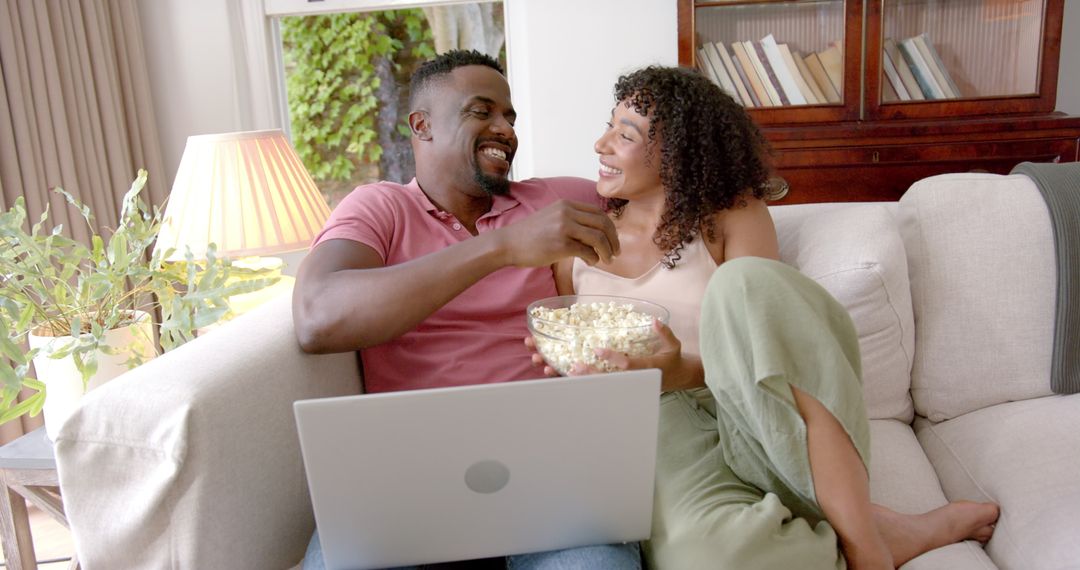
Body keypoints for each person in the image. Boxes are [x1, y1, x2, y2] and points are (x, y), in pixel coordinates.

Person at [530, 66, 1000, 569]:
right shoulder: (578, 241)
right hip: (656, 424)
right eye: (610, 126)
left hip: (747, 404)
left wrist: (683, 370)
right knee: (711, 557)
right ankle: (895, 532)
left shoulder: (733, 216)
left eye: (626, 135)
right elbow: (573, 349)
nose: (602, 143)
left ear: (680, 152)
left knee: (746, 283)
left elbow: (766, 329)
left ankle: (867, 546)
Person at [292, 49, 641, 569]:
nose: (505, 129)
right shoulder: (380, 208)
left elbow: (690, 188)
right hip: (405, 483)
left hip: (550, 476)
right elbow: (318, 318)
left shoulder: (555, 201)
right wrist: (501, 248)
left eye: (510, 117)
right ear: (421, 125)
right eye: (482, 112)